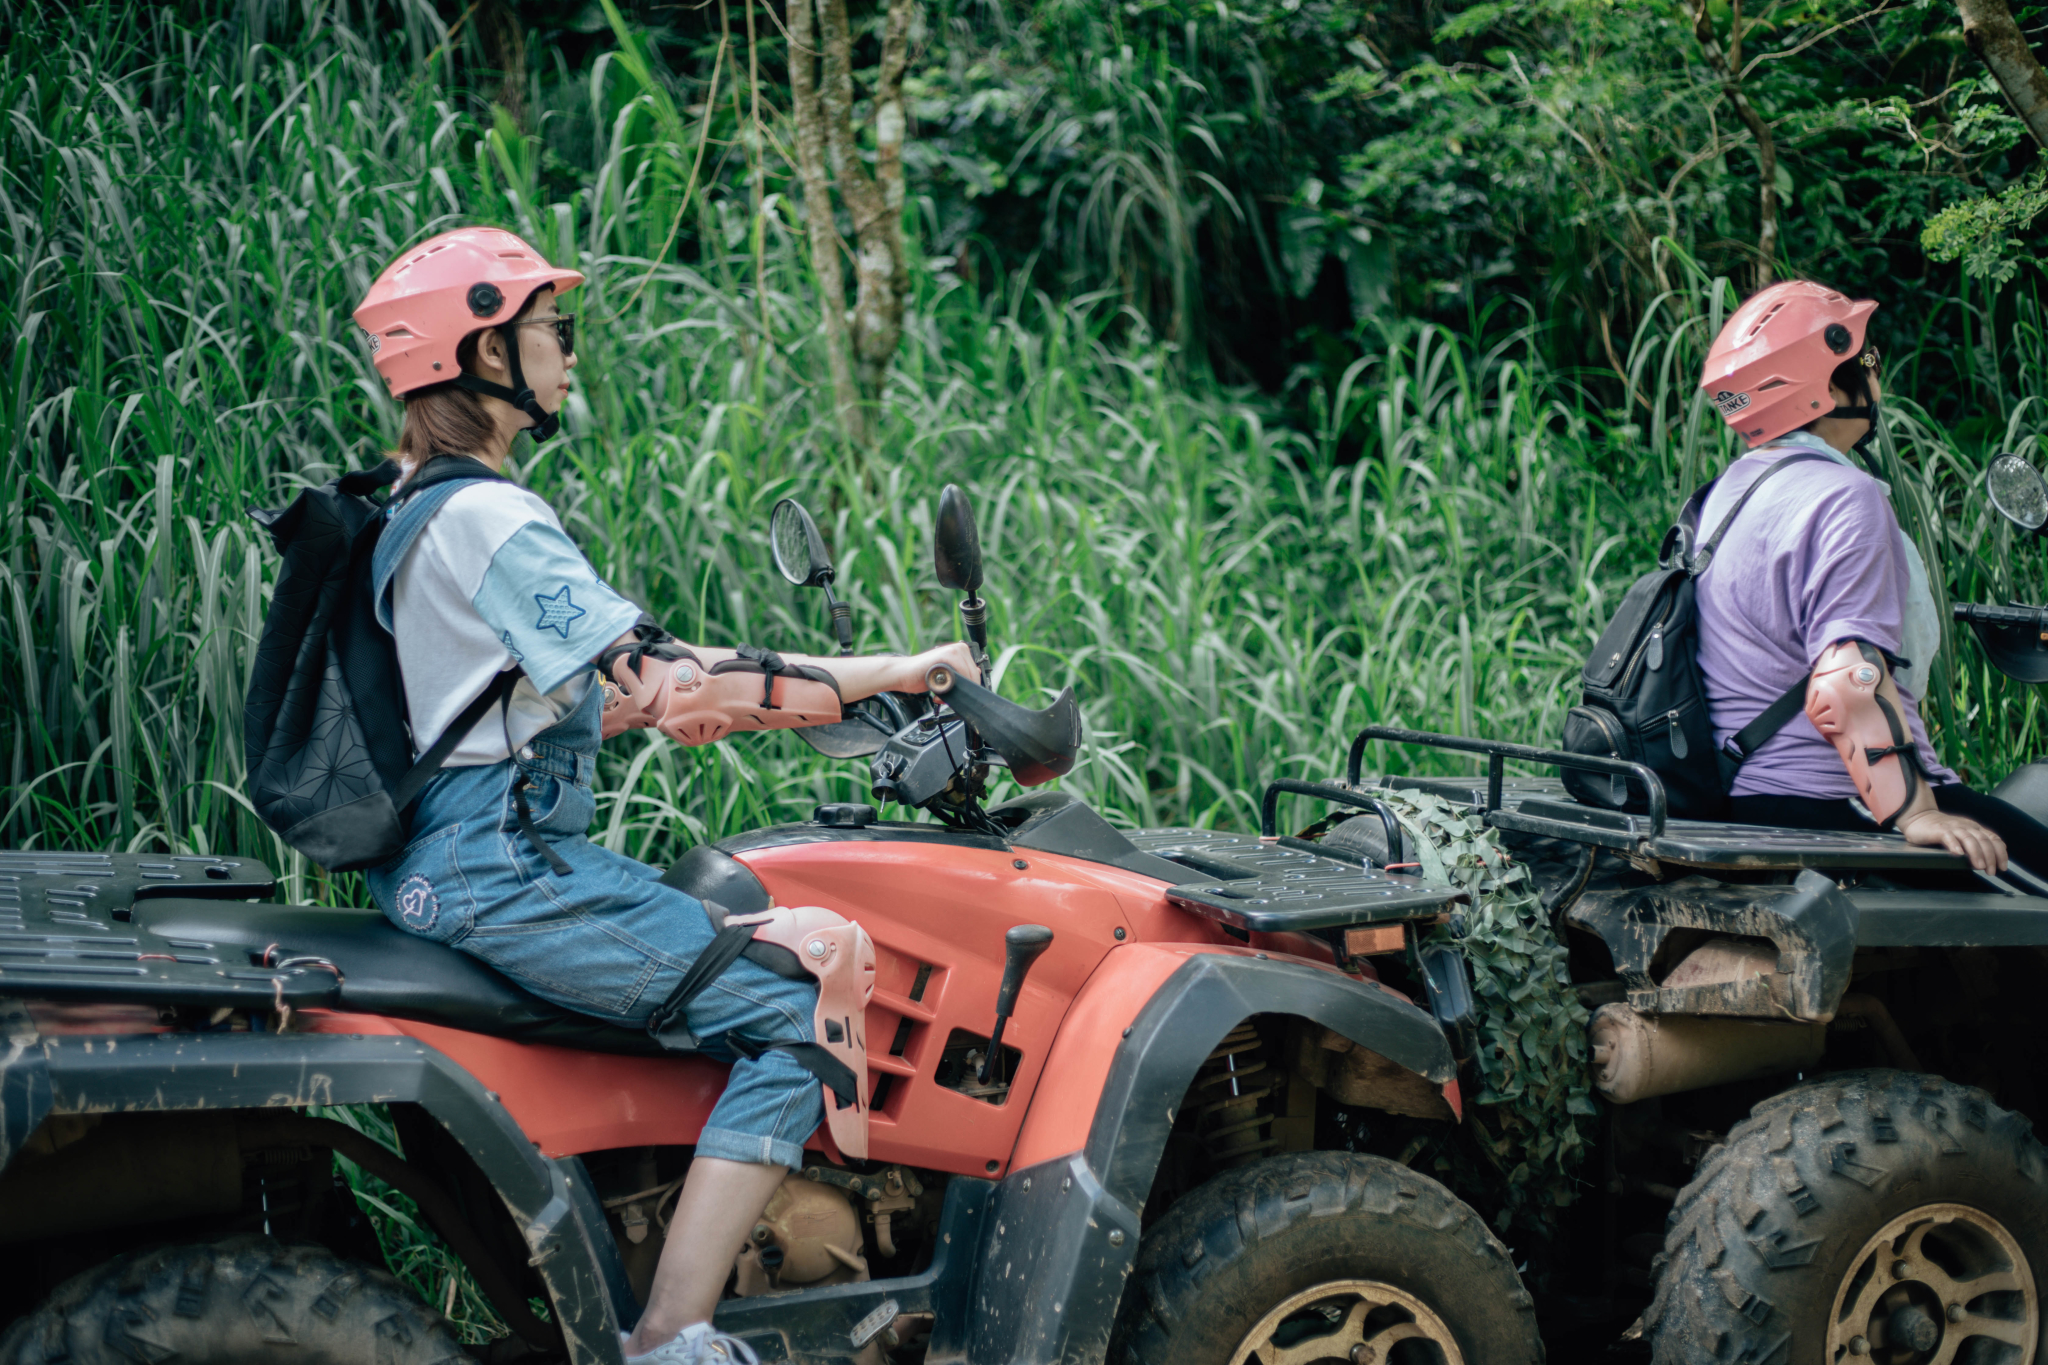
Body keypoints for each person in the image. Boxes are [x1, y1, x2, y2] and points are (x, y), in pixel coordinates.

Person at [351, 227, 977, 1364]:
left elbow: (639, 696)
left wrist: (852, 681)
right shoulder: (489, 517)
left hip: (462, 863)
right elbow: (670, 678)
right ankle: (672, 1336)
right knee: (792, 1018)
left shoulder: (416, 508)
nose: (566, 353)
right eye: (550, 329)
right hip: (506, 867)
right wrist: (895, 673)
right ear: (481, 348)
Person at [1694, 279, 2047, 880]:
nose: (1877, 373)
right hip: (1830, 799)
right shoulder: (1843, 496)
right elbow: (1845, 680)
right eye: (1869, 360)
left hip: (1743, 792)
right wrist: (1916, 812)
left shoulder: (1722, 497)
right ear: (1829, 386)